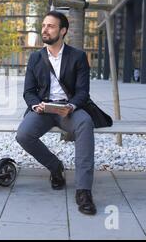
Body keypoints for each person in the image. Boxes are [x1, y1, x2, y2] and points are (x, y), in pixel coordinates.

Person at [15, 11, 96, 215]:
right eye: (43, 25)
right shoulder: (35, 57)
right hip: (43, 110)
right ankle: (55, 166)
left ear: (63, 31)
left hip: (68, 109)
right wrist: (36, 106)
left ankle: (84, 191)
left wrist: (71, 107)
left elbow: (83, 92)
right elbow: (28, 91)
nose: (45, 29)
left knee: (85, 124)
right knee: (23, 135)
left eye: (50, 26)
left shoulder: (77, 56)